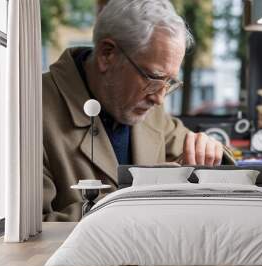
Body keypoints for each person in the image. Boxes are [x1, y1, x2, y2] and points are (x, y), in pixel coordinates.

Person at [43, 0, 235, 222]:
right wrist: (137, 197)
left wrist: (213, 153)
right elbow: (29, 233)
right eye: (153, 78)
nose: (160, 98)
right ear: (107, 55)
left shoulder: (148, 106)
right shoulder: (30, 111)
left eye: (169, 82)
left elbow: (206, 155)